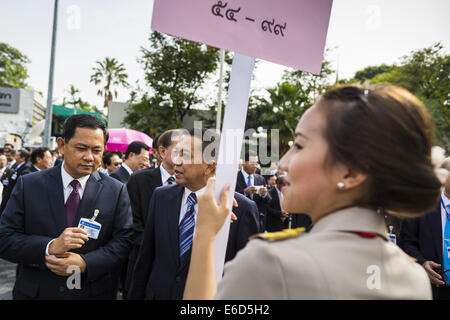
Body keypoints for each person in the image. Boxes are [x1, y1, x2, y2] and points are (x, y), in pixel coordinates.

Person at [183, 85, 442, 300]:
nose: (283, 162)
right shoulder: (413, 277)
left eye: (299, 145)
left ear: (351, 173)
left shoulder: (273, 264)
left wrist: (205, 235)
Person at [0, 114, 133, 299]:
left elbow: (123, 242)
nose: (89, 157)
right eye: (81, 148)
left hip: (92, 292)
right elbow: (5, 238)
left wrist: (86, 263)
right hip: (37, 292)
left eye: (97, 150)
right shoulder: (29, 185)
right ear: (62, 145)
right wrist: (50, 246)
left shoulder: (116, 190)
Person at [128, 128, 259, 300]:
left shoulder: (240, 208)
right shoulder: (161, 196)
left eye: (187, 155)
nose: (177, 161)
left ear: (210, 166)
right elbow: (145, 259)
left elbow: (247, 278)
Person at [124, 129, 181, 297]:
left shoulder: (190, 183)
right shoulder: (138, 180)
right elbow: (132, 223)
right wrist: (165, 248)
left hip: (178, 272)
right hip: (142, 265)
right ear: (162, 151)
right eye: (180, 150)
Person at [401, 157, 450, 300]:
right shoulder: (421, 206)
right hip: (432, 290)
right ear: (441, 176)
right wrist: (422, 263)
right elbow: (407, 243)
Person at [235, 151, 271, 232]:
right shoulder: (235, 177)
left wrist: (264, 194)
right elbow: (230, 197)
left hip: (257, 221)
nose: (255, 166)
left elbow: (268, 200)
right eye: (252, 163)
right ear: (244, 162)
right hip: (239, 221)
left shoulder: (260, 178)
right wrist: (244, 192)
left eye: (256, 163)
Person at [0, 149, 32, 216]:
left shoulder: (26, 169)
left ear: (22, 158)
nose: (15, 157)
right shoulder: (15, 166)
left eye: (17, 156)